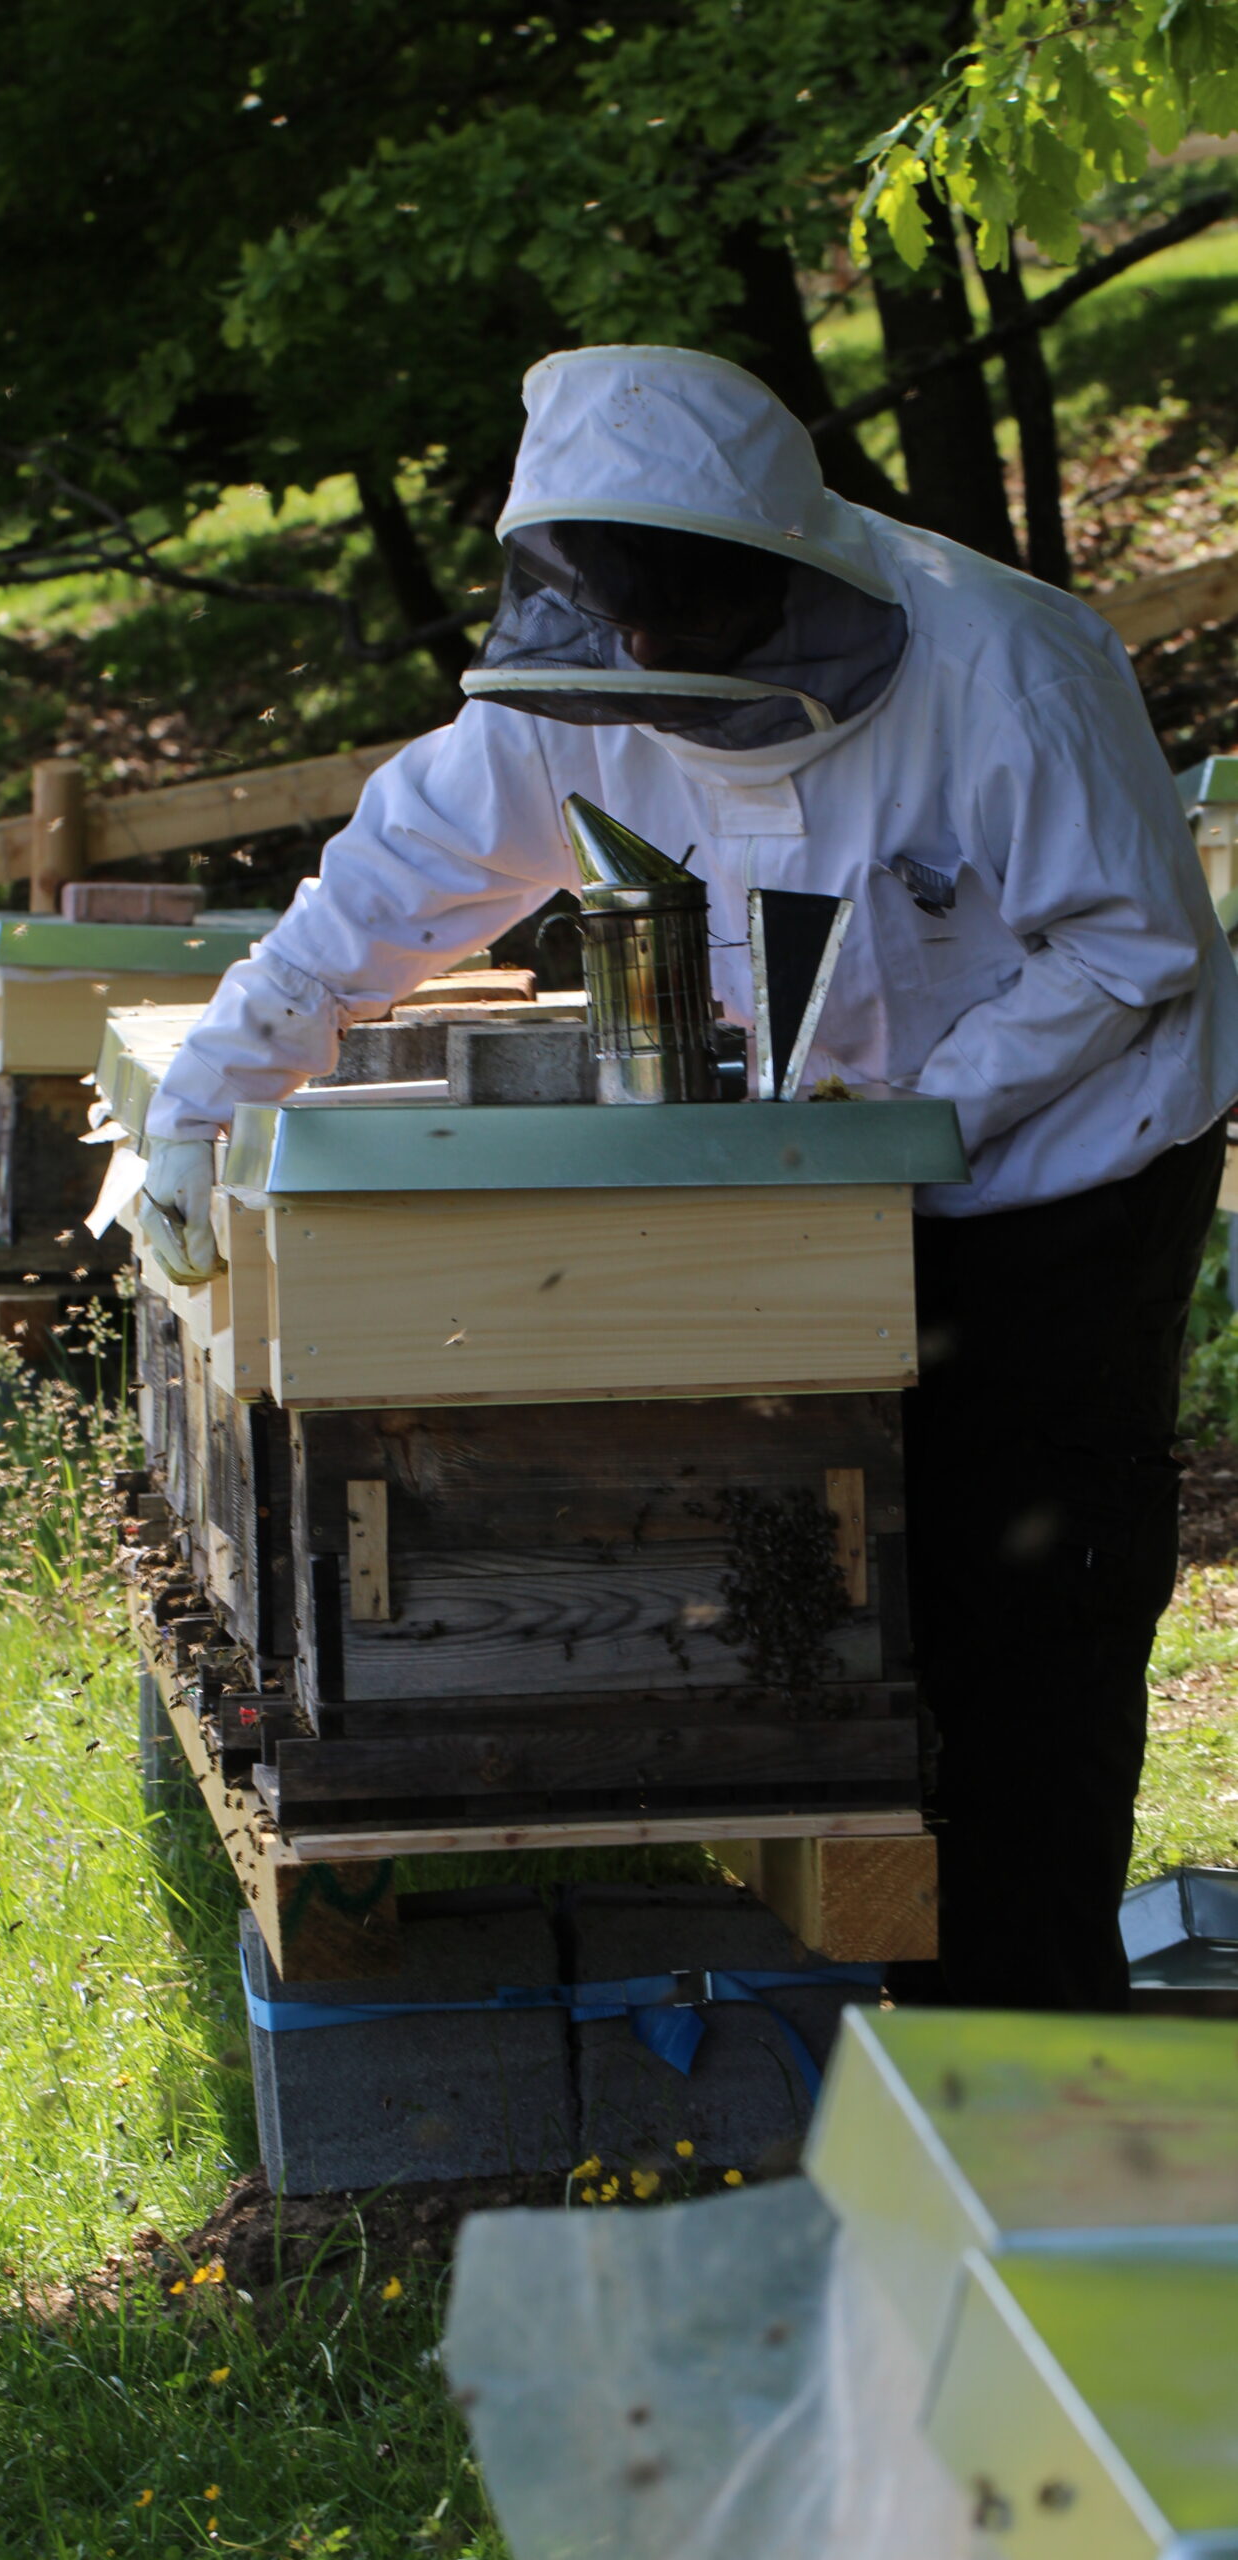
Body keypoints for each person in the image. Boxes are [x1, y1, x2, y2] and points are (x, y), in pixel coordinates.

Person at [137, 344, 1238, 2012]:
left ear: (790, 570)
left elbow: (1134, 949)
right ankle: (880, 1963)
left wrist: (914, 1118)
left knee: (1028, 1597)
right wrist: (202, 1103)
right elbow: (380, 895)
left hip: (1065, 1184)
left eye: (694, 622)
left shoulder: (1009, 669)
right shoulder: (566, 700)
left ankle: (1028, 2030)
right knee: (833, 1579)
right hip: (809, 1185)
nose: (653, 658)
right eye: (625, 618)